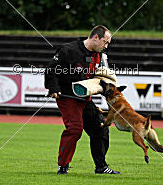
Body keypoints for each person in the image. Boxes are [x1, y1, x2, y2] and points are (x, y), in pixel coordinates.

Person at [44, 25, 120, 174]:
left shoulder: (100, 55)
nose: (106, 46)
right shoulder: (68, 50)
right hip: (67, 97)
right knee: (75, 129)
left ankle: (101, 167)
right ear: (96, 37)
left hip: (84, 98)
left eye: (108, 44)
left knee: (101, 127)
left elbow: (99, 76)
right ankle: (63, 166)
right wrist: (53, 88)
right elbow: (51, 70)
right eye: (105, 42)